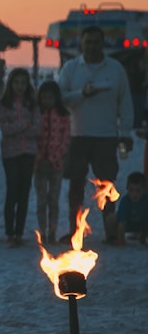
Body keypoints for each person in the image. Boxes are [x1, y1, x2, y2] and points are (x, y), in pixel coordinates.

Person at [57, 25, 135, 240]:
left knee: (107, 186)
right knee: (75, 186)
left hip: (106, 136)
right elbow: (60, 99)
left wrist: (126, 132)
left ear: (103, 43)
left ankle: (110, 231)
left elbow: (125, 103)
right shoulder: (71, 68)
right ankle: (74, 231)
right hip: (77, 135)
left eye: (95, 42)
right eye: (88, 42)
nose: (91, 46)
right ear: (81, 44)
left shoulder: (116, 69)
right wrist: (82, 93)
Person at [0, 68, 41, 248]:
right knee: (11, 192)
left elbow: (37, 128)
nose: (20, 86)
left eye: (23, 83)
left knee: (24, 194)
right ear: (10, 84)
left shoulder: (32, 103)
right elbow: (4, 129)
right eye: (16, 83)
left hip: (29, 152)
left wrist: (19, 128)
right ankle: (9, 233)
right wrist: (24, 125)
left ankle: (19, 233)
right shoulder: (3, 104)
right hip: (11, 153)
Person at [34, 81, 71, 244]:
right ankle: (42, 231)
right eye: (43, 97)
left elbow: (66, 140)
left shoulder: (63, 116)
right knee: (41, 200)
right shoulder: (37, 115)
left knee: (54, 200)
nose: (46, 100)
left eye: (50, 97)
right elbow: (33, 139)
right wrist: (39, 160)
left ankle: (53, 231)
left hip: (56, 164)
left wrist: (53, 158)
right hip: (39, 164)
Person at [106, 171, 148, 246]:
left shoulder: (146, 200)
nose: (134, 194)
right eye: (131, 190)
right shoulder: (125, 201)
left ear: (144, 190)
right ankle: (113, 237)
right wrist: (121, 240)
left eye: (138, 190)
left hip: (143, 225)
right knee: (111, 218)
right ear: (127, 189)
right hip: (127, 224)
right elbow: (122, 222)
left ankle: (143, 236)